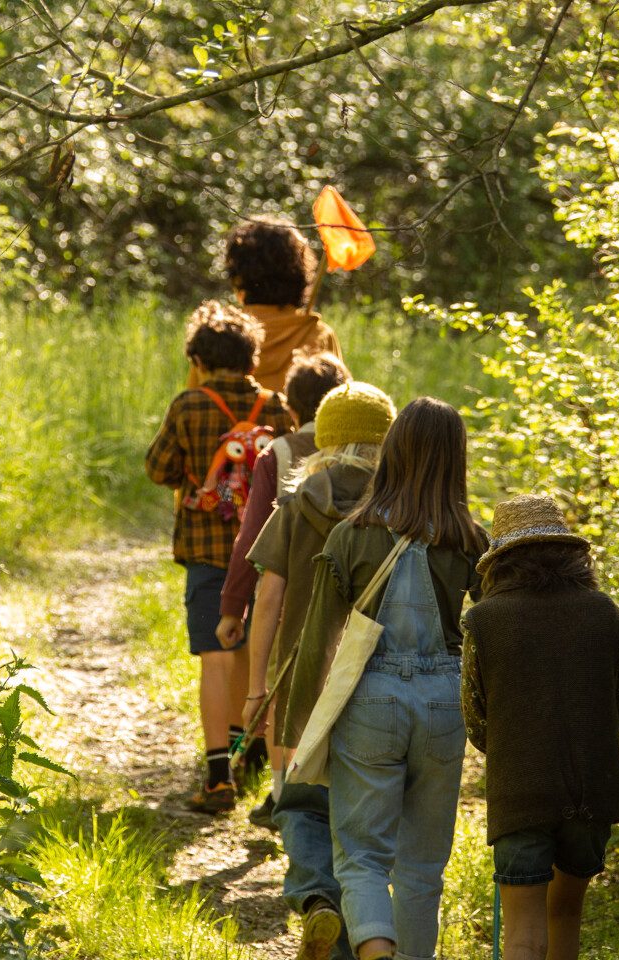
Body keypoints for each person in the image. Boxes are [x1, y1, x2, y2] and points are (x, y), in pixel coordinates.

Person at [293, 397, 489, 960]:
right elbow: (496, 629)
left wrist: (296, 728)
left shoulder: (351, 535)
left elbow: (317, 640)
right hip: (443, 702)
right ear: (456, 459)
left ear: (393, 451)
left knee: (361, 858)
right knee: (423, 866)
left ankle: (376, 951)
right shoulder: (471, 542)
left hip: (371, 699)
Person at [242, 381, 397, 960]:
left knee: (302, 804)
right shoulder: (400, 511)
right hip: (380, 678)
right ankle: (365, 929)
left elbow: (268, 599)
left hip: (306, 678)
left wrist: (256, 688)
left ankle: (316, 899)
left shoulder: (298, 503)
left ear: (323, 440)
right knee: (364, 810)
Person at [461, 494, 619, 960]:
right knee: (566, 918)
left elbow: (476, 721)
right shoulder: (605, 612)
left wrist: (517, 744)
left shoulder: (484, 620)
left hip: (519, 791)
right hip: (592, 788)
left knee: (522, 937)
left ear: (500, 561)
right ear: (570, 553)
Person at [145, 300, 295, 814]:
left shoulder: (189, 405)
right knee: (262, 654)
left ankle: (217, 779)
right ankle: (256, 758)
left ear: (199, 359)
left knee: (215, 657)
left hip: (208, 552)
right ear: (253, 356)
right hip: (266, 553)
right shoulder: (275, 408)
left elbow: (159, 468)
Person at [217, 352, 352, 827]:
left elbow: (252, 538)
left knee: (282, 691)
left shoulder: (280, 451)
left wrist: (233, 605)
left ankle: (281, 795)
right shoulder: (369, 452)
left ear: (292, 406)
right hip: (354, 597)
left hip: (290, 592)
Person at [188, 218, 342, 394]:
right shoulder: (319, 336)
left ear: (238, 277)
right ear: (300, 273)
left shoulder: (215, 336)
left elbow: (192, 404)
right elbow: (337, 405)